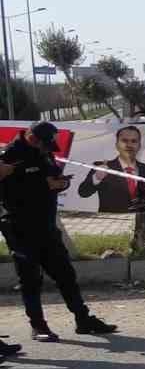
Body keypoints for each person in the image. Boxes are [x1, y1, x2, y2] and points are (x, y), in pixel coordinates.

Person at [0, 122, 119, 343]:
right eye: (46, 144)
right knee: (30, 278)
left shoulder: (42, 153)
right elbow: (10, 193)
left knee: (65, 273)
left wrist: (60, 184)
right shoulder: (10, 155)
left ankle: (83, 319)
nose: (48, 149)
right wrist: (44, 186)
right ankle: (38, 326)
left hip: (45, 225)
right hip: (20, 227)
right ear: (33, 138)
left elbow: (52, 176)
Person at [78, 125, 145, 214]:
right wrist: (96, 178)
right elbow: (83, 192)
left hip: (140, 220)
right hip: (112, 222)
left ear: (139, 146)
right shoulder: (102, 167)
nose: (129, 145)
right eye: (124, 141)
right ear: (117, 144)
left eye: (134, 141)